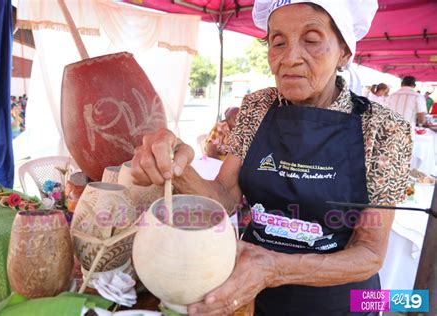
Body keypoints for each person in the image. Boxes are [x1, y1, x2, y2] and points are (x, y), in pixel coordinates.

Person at [131, 1, 412, 315]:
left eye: (311, 39)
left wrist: (275, 268)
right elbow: (223, 198)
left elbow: (371, 252)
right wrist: (175, 166)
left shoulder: (385, 128)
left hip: (339, 302)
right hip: (247, 290)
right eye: (278, 42)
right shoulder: (257, 106)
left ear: (344, 52)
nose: (290, 58)